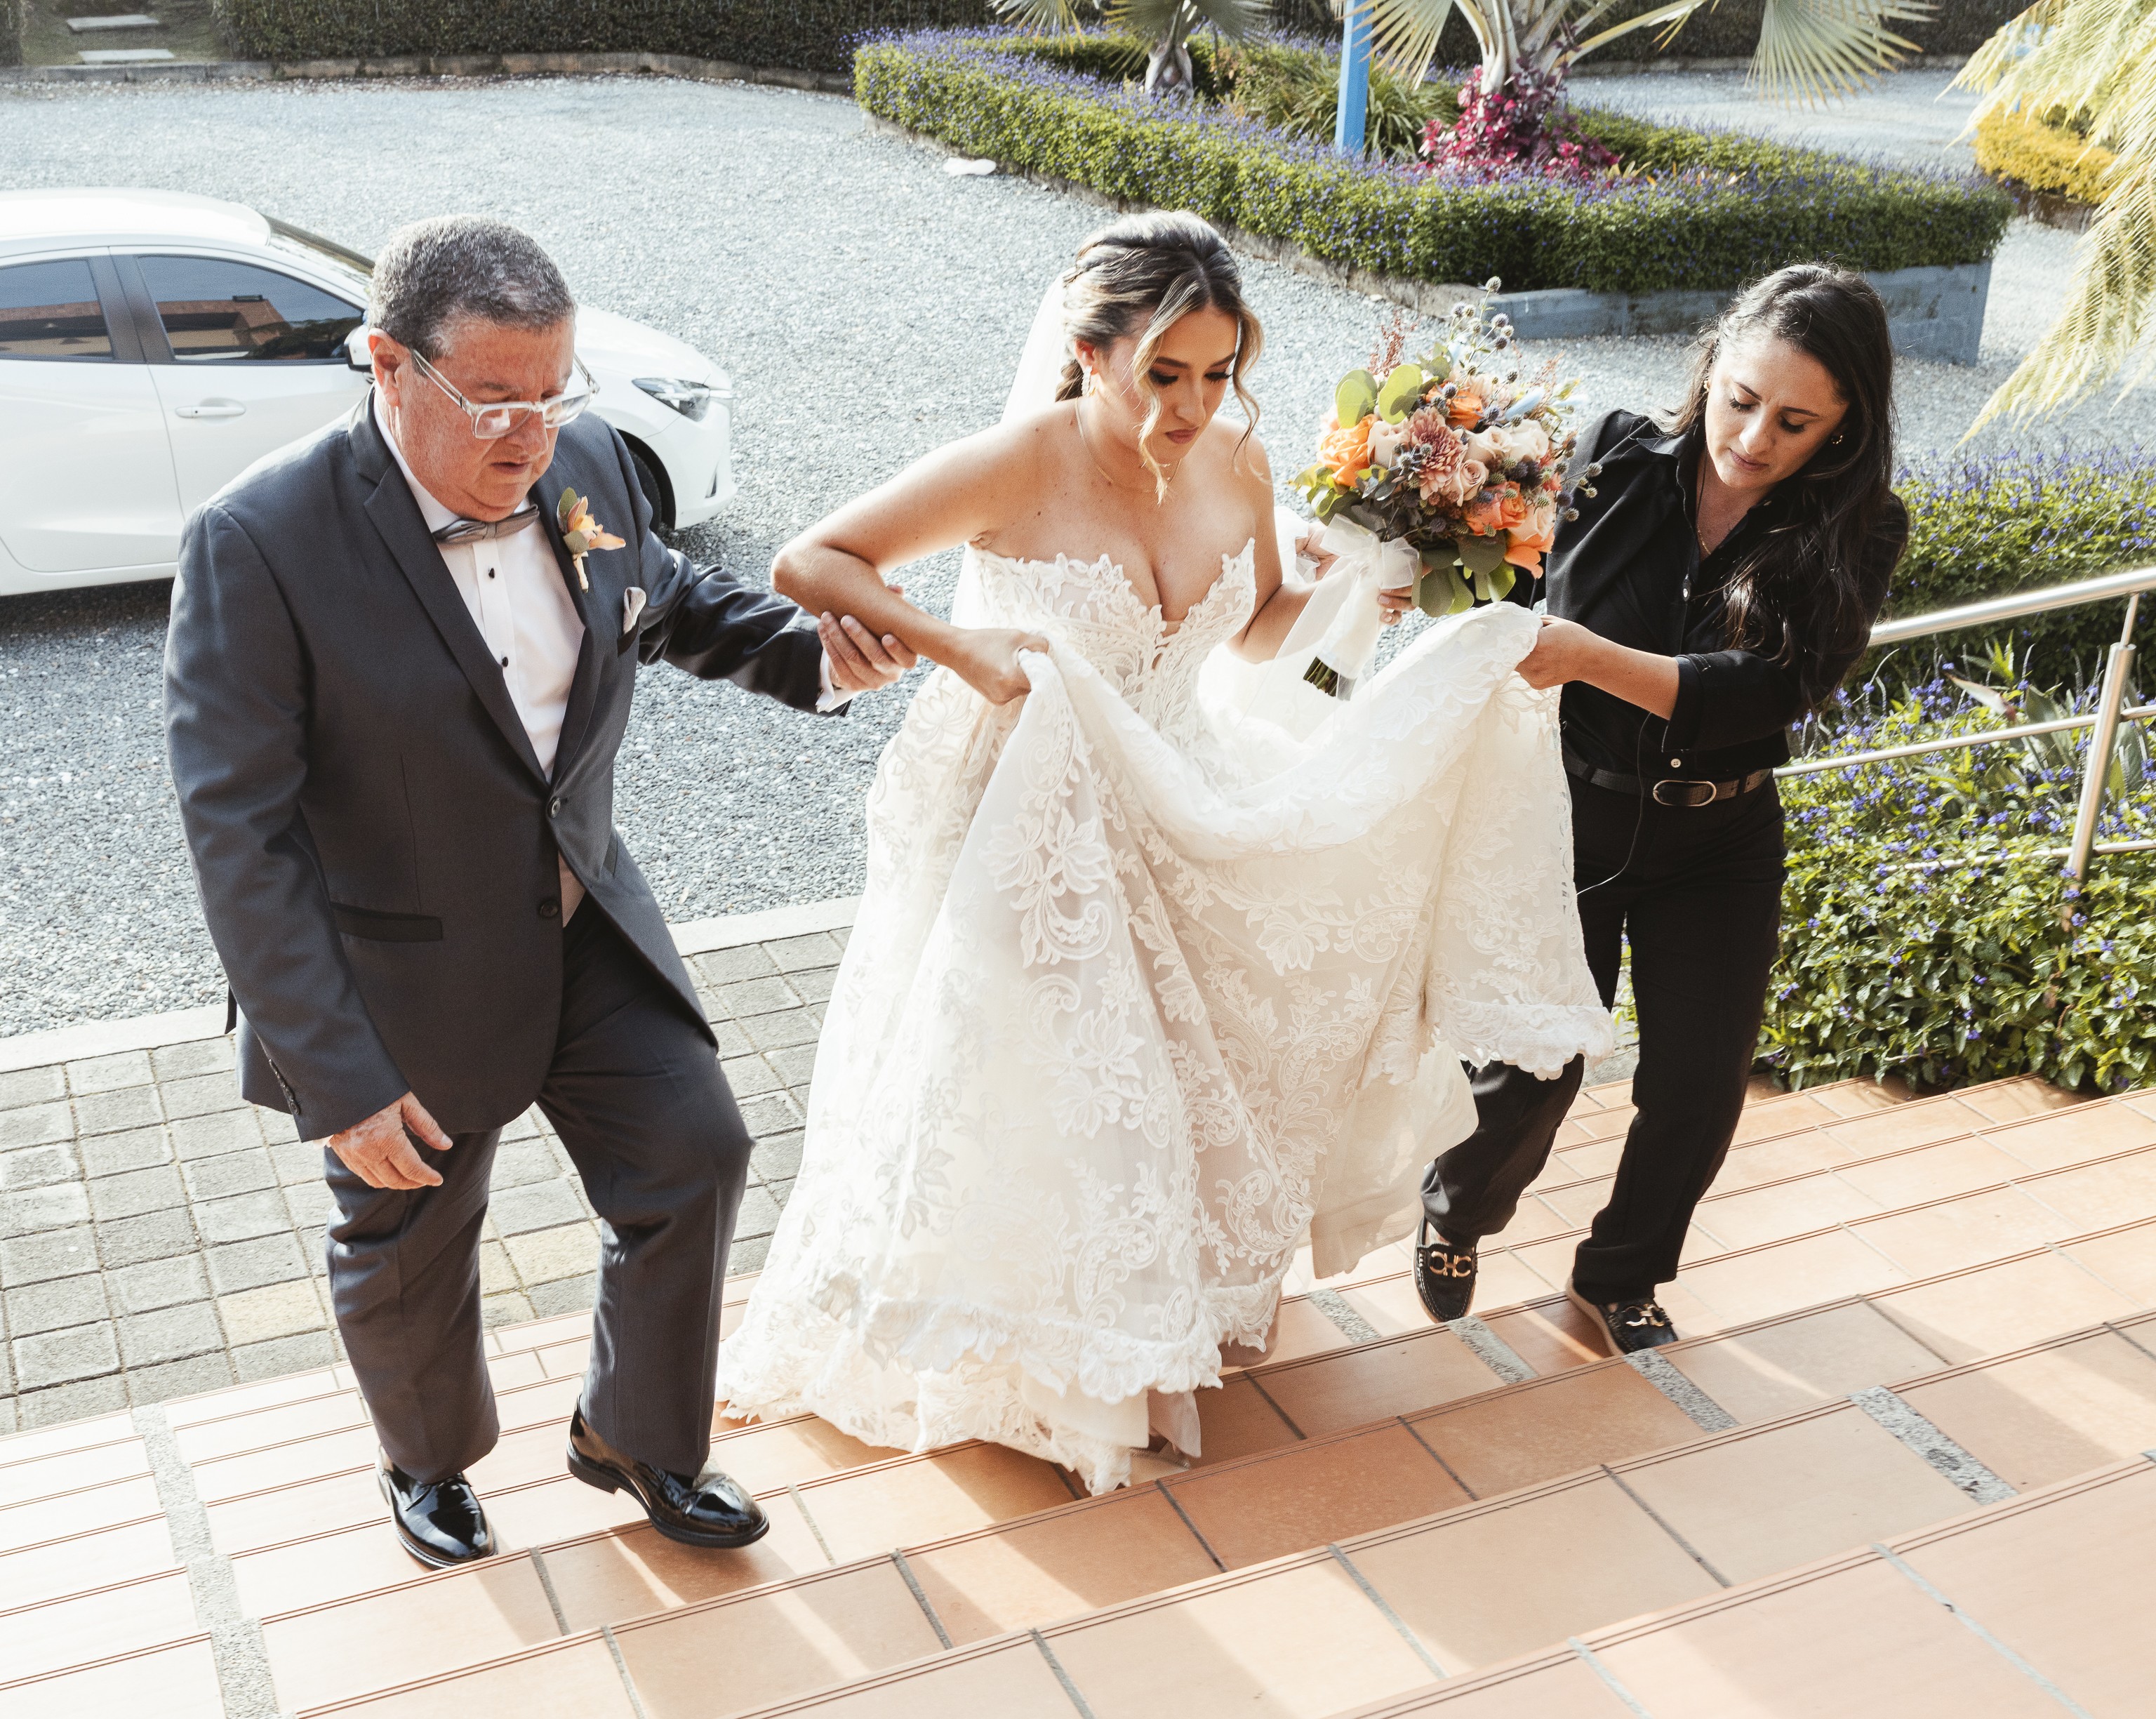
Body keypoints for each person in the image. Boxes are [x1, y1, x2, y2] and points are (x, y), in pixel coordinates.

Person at [716, 212, 1612, 1495]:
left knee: (1177, 1074)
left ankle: (1137, 1325)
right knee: (1054, 1078)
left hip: (1178, 784)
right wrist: (958, 647)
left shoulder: (1235, 458)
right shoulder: (1017, 462)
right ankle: (1037, 1361)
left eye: (1217, 372)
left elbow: (1252, 627)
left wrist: (1357, 593)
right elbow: (811, 556)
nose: (1192, 406)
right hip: (1025, 815)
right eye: (1164, 374)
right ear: (1088, 353)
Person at [164, 215, 907, 1570]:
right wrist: (336, 1074)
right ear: (386, 364)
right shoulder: (258, 541)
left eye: (553, 393)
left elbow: (659, 598)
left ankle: (637, 1433)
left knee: (694, 1152)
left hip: (581, 914)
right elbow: (238, 832)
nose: (530, 434)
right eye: (494, 400)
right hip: (402, 969)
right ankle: (427, 1460)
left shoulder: (593, 460)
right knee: (410, 1235)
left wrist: (809, 656)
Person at [1406, 264, 1908, 1353]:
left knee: (1697, 1082)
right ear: (1710, 369)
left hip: (1721, 838)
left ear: (1843, 428)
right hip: (1571, 814)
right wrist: (1414, 558)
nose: (1753, 439)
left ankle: (1621, 1270)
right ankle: (1455, 1211)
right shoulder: (1609, 457)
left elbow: (1771, 691)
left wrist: (1591, 656)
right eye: (1741, 400)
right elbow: (1513, 588)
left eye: (1794, 423)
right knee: (1533, 1065)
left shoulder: (1860, 530)